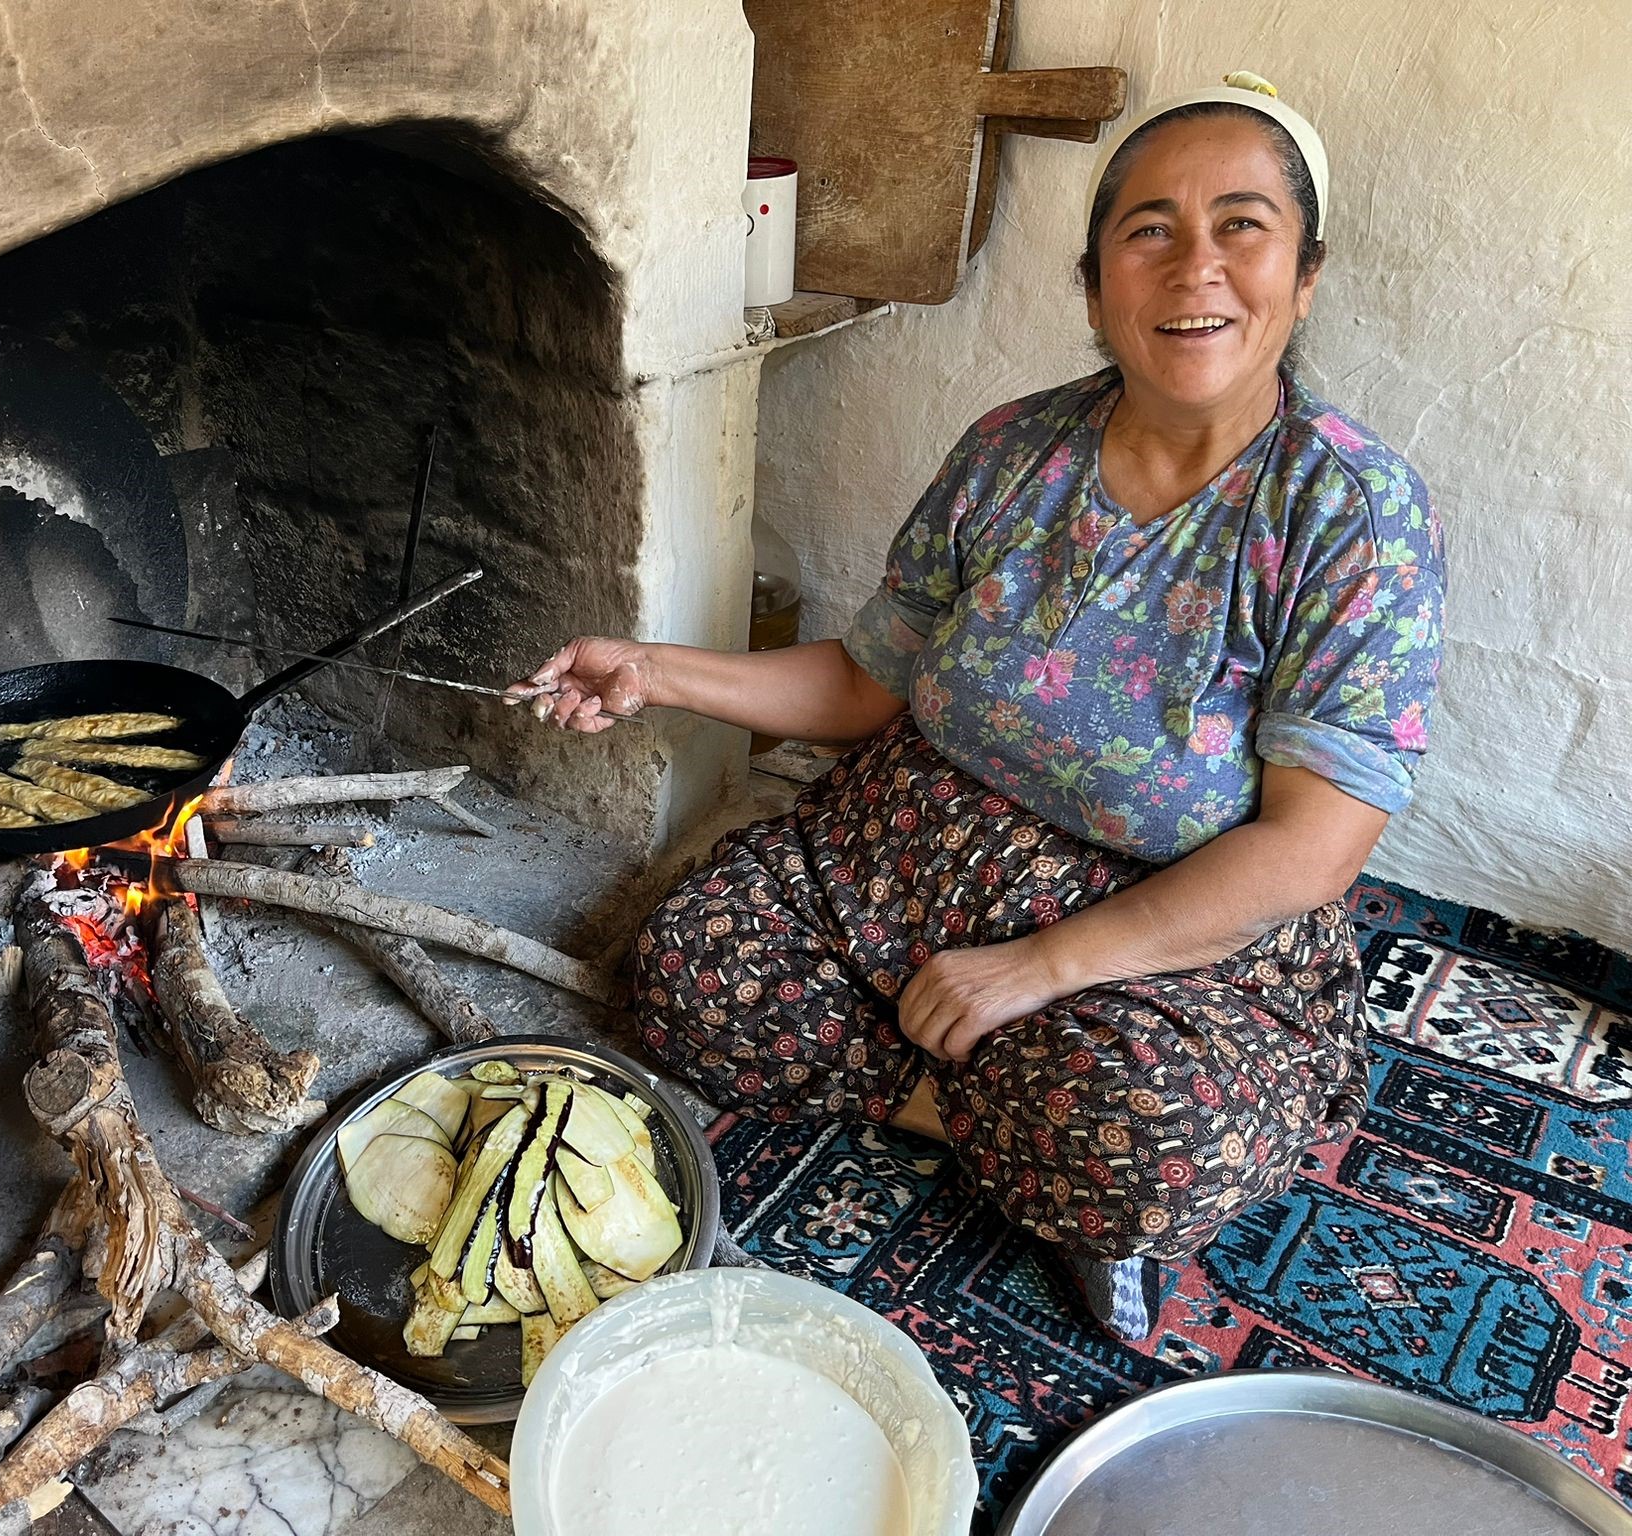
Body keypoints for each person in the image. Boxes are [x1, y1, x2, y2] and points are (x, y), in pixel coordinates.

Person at [509, 75, 1445, 1339]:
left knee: (1148, 1140)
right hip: (898, 855)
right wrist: (654, 668)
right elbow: (864, 682)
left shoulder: (1350, 513)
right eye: (1149, 230)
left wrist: (1037, 968)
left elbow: (1312, 847)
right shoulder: (1010, 452)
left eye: (1241, 225)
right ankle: (1002, 1130)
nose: (1194, 267)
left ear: (1304, 274)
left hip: (1158, 925)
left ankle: (1051, 1147)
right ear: (1095, 284)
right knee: (687, 968)